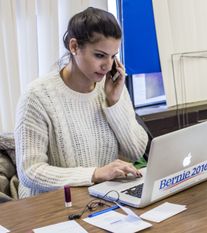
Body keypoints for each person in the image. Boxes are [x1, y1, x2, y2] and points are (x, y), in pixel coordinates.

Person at [14, 7, 148, 198]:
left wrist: (114, 103)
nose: (108, 66)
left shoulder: (111, 86)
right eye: (100, 55)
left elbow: (136, 152)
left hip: (102, 198)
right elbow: (30, 172)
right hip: (51, 206)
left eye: (113, 56)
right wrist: (94, 174)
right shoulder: (37, 96)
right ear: (74, 47)